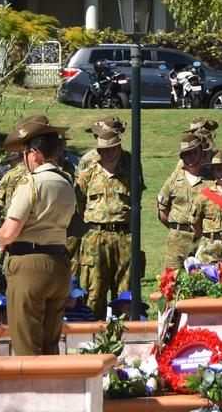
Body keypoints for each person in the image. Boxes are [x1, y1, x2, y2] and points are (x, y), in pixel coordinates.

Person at [0, 115, 75, 356]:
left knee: (26, 346)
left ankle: (30, 393)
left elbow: (8, 233)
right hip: (59, 263)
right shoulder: (66, 182)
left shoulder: (31, 184)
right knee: (50, 345)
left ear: (34, 153)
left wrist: (0, 238)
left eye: (25, 153)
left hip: (30, 266)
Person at [77, 120, 141, 315]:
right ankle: (91, 337)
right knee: (94, 291)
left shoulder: (131, 168)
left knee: (125, 292)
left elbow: (137, 200)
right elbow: (80, 204)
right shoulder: (87, 173)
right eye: (104, 150)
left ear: (119, 147)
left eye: (112, 148)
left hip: (124, 236)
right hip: (95, 237)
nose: (108, 152)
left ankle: (125, 338)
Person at [158, 132, 214, 271]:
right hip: (177, 240)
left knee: (205, 280)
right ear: (182, 156)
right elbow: (163, 211)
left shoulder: (212, 180)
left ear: (201, 153)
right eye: (187, 154)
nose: (191, 157)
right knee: (172, 281)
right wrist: (178, 229)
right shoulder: (174, 180)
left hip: (204, 239)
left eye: (194, 152)